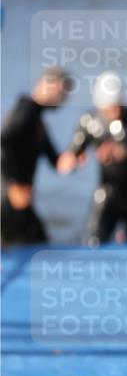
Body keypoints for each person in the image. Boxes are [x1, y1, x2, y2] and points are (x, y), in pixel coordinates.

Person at [58, 71, 127, 245]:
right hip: (107, 193)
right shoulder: (89, 121)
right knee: (93, 242)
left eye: (118, 105)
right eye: (110, 106)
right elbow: (72, 154)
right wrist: (73, 160)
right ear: (99, 104)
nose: (115, 110)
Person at [1, 66, 73, 245]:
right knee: (33, 243)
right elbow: (2, 143)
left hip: (19, 198)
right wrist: (13, 184)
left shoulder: (38, 121)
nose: (63, 99)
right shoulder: (26, 112)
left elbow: (55, 160)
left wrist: (71, 159)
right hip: (7, 196)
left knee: (34, 242)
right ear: (47, 85)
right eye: (61, 92)